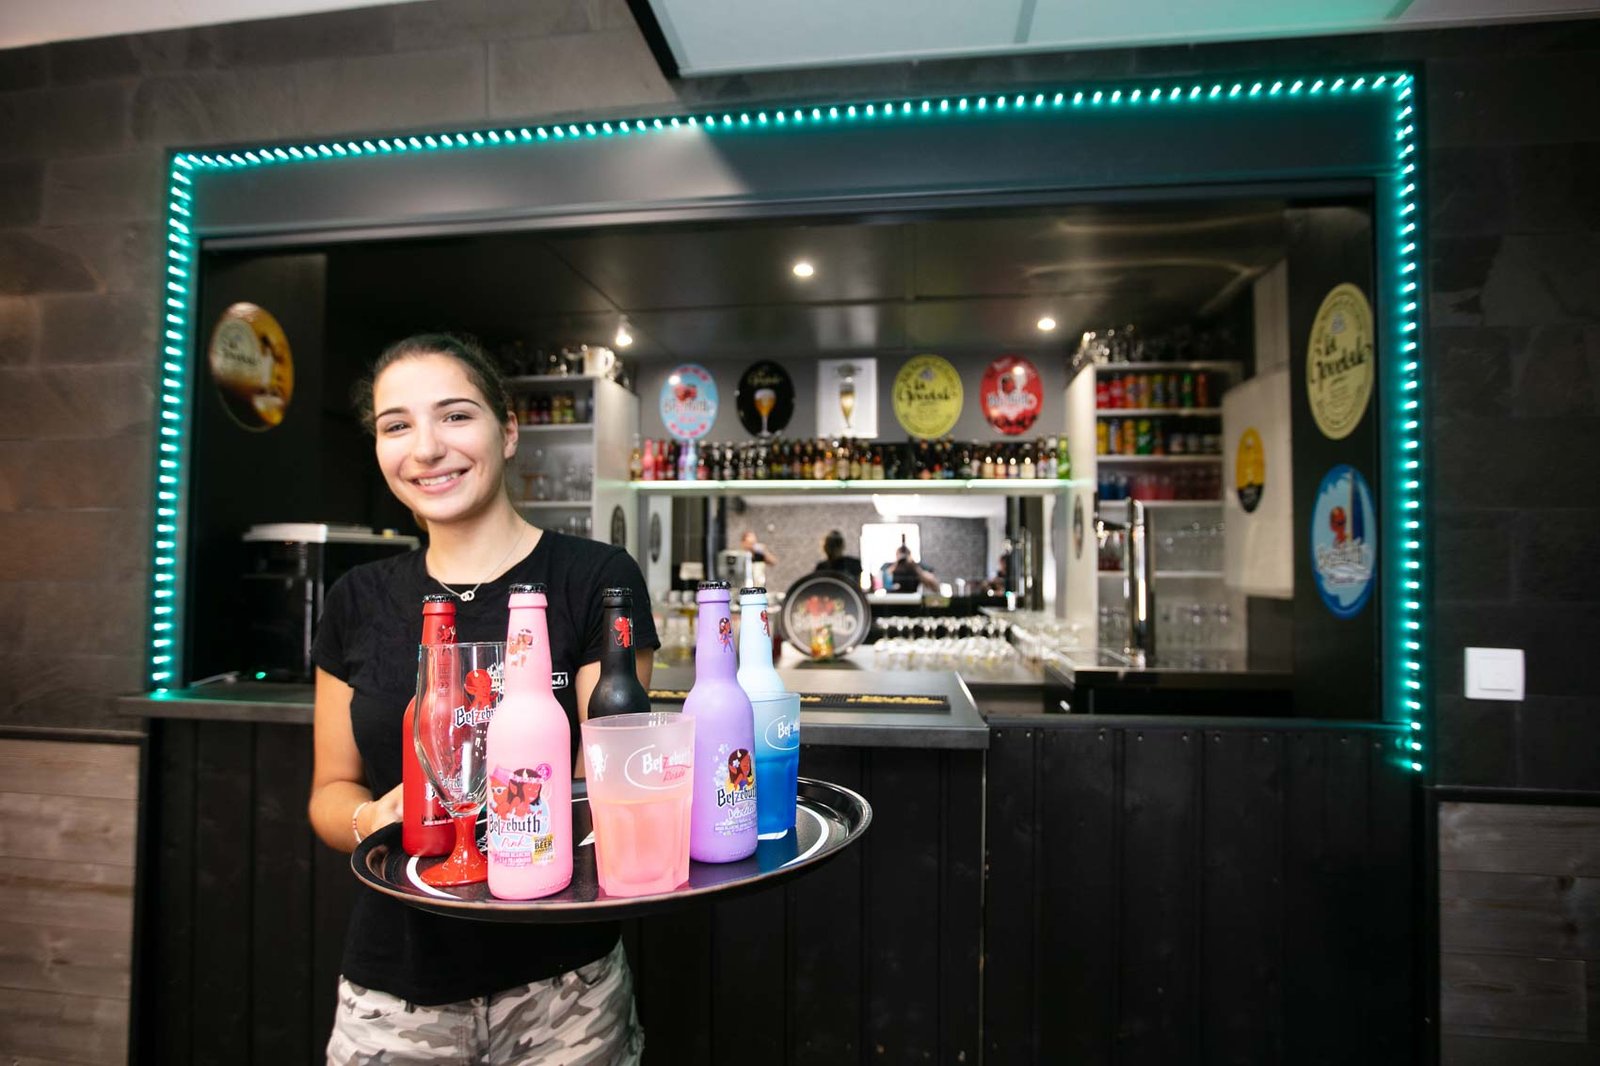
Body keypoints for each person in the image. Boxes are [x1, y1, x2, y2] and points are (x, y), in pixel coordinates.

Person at [308, 333, 656, 1065]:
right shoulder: (356, 599)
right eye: (397, 425)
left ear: (509, 430)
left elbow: (611, 780)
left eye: (455, 415)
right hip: (394, 990)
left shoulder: (597, 579)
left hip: (564, 987)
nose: (427, 448)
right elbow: (331, 792)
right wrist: (373, 817)